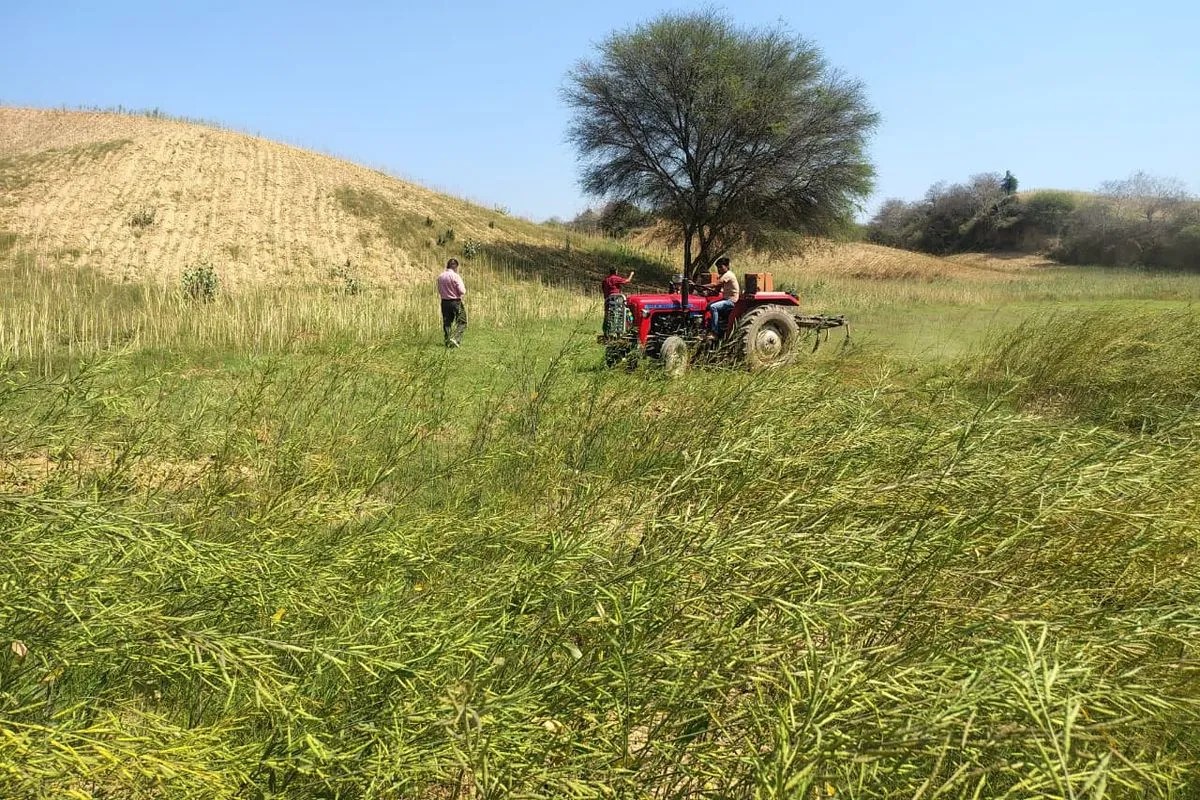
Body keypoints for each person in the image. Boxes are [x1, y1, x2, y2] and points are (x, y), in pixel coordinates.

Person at [437, 257, 467, 347]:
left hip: (444, 302)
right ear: (456, 267)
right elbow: (462, 291)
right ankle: (456, 338)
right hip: (455, 302)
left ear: (448, 265)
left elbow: (439, 289)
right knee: (462, 321)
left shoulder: (440, 276)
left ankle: (447, 340)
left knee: (447, 322)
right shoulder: (455, 276)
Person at [706, 256, 739, 337]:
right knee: (709, 305)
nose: (719, 269)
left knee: (713, 307)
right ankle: (707, 327)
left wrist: (699, 285)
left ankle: (714, 332)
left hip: (731, 301)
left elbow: (715, 284)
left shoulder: (728, 274)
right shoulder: (722, 276)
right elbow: (717, 290)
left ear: (727, 266)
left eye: (721, 267)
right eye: (718, 267)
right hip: (726, 299)